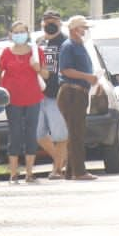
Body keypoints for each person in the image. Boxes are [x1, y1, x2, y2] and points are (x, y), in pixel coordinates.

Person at [0, 20, 47, 183]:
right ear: (11, 34)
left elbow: (46, 75)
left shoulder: (37, 51)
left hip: (33, 97)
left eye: (22, 32)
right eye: (16, 32)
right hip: (13, 99)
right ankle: (13, 173)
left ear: (27, 33)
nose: (19, 35)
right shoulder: (6, 52)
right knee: (15, 133)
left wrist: (37, 67)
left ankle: (30, 173)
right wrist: (3, 89)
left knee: (31, 133)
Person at [56, 15, 98, 181]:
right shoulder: (68, 46)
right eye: (83, 28)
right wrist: (88, 77)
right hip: (71, 93)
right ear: (74, 29)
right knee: (76, 133)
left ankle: (71, 171)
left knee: (77, 132)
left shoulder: (80, 45)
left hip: (80, 93)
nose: (85, 31)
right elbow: (65, 70)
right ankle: (79, 172)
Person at [35, 10, 70, 180]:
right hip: (38, 95)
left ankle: (57, 169)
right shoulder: (40, 43)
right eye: (46, 20)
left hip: (56, 95)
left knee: (60, 135)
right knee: (38, 134)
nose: (49, 24)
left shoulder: (65, 43)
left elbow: (53, 71)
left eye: (53, 21)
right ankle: (63, 160)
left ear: (60, 23)